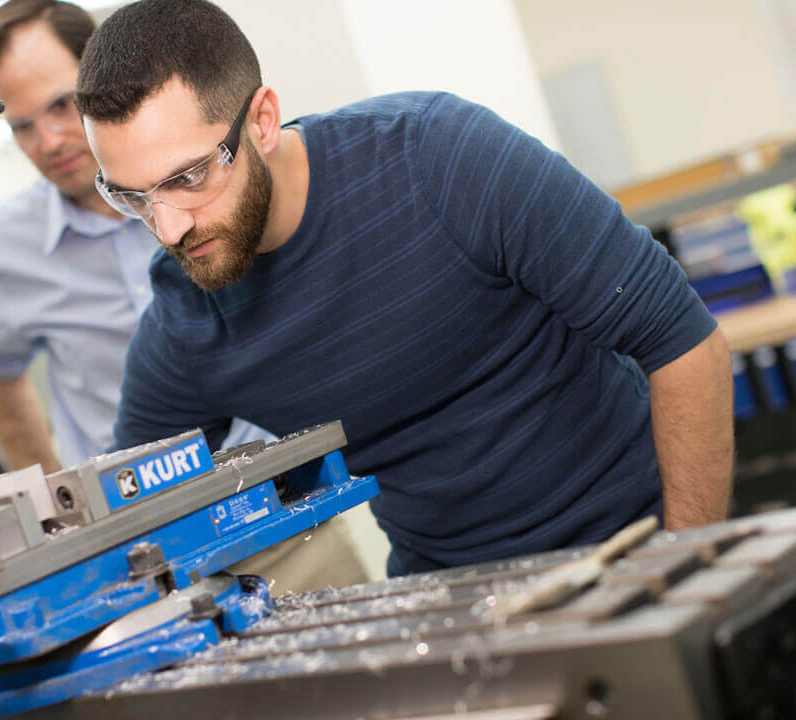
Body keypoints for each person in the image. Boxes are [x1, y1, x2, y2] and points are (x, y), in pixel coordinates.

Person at [76, 0, 736, 577]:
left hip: (641, 534)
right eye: (130, 195)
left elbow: (682, 344)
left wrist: (685, 566)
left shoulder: (440, 158)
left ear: (263, 121)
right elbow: (125, 516)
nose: (167, 227)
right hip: (453, 597)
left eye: (188, 177)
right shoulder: (185, 323)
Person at [0, 0, 369, 590]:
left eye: (60, 105)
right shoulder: (2, 251)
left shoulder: (225, 187)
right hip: (140, 558)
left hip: (283, 522)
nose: (47, 140)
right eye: (21, 126)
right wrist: (61, 514)